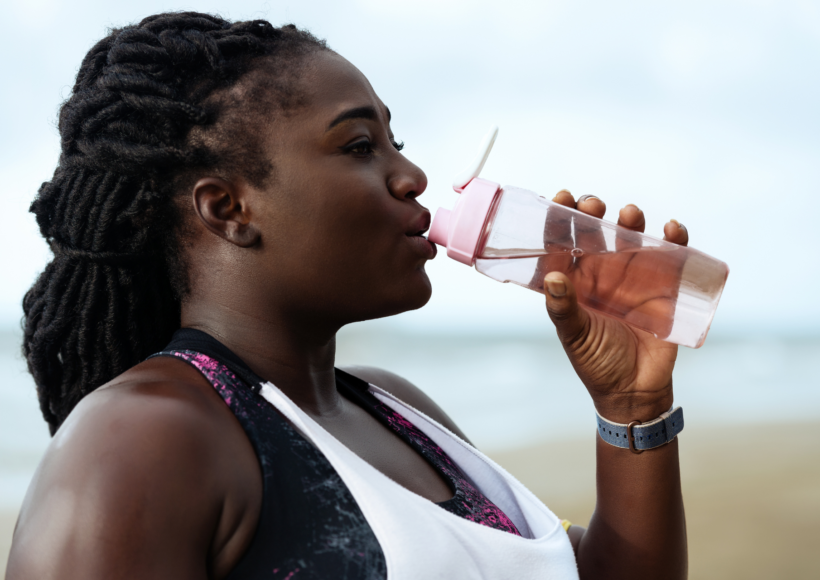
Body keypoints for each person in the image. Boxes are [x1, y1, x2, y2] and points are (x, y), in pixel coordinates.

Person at [7, 12, 688, 580]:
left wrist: (632, 408)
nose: (413, 175)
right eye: (360, 145)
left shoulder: (399, 410)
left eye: (397, 142)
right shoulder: (144, 438)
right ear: (228, 209)